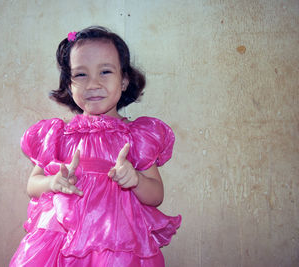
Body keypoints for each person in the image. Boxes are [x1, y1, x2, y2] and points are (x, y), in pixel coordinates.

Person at [10, 26, 181, 267]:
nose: (93, 83)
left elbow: (156, 195)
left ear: (123, 81)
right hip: (62, 239)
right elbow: (32, 185)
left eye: (105, 71)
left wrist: (135, 181)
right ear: (69, 85)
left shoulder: (135, 136)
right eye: (81, 75)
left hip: (118, 245)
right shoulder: (59, 135)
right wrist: (52, 183)